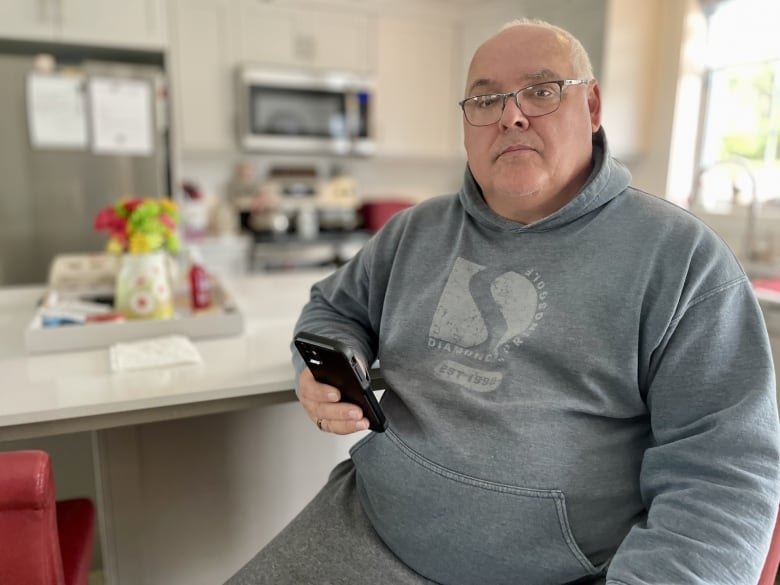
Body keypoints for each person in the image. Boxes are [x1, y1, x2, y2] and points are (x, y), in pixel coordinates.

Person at [225, 18, 780, 585]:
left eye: (541, 91)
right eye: (486, 99)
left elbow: (722, 480)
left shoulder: (684, 262)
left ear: (591, 108)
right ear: (467, 124)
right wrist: (327, 367)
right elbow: (332, 309)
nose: (511, 115)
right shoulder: (414, 233)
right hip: (365, 527)